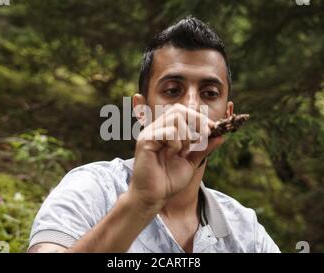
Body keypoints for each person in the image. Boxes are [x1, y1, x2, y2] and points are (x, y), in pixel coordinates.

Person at [27, 16, 280, 253]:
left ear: (227, 115)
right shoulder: (90, 190)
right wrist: (140, 203)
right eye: (172, 90)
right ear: (141, 110)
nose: (191, 106)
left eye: (210, 93)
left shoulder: (247, 233)